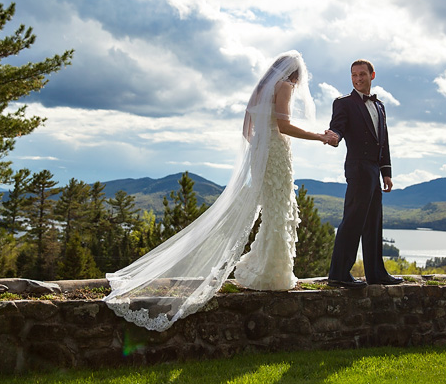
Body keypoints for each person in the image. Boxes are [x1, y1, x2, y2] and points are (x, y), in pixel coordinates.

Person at [104, 51, 335, 331]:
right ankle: (273, 275)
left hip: (263, 153)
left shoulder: (261, 87)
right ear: (294, 74)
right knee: (278, 210)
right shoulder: (284, 86)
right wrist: (318, 136)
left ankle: (266, 270)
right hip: (275, 155)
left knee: (274, 211)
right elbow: (284, 124)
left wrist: (261, 146)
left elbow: (246, 130)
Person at [324, 59, 401, 287]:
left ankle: (376, 274)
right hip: (357, 167)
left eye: (362, 74)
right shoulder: (343, 103)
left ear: (372, 75)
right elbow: (338, 126)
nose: (357, 79)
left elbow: (383, 141)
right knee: (353, 220)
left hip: (374, 170)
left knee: (373, 222)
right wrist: (334, 136)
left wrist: (386, 171)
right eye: (353, 75)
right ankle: (338, 274)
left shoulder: (380, 106)